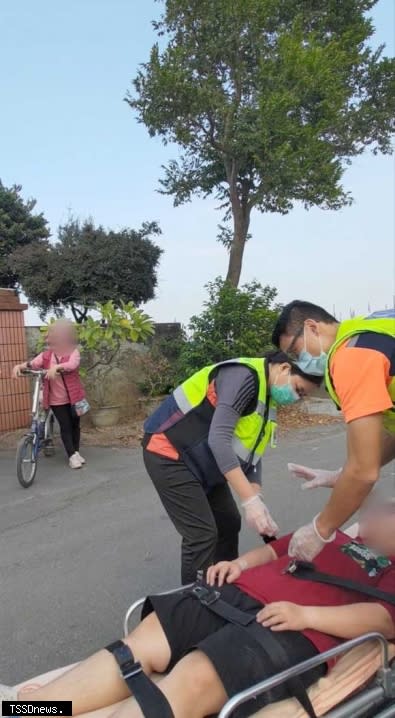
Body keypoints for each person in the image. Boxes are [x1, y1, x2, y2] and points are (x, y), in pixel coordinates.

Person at [2, 496, 394, 718]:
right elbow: (277, 548)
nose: (381, 511)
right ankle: (30, 710)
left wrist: (306, 615)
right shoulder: (330, 531)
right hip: (232, 594)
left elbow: (384, 620)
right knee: (137, 648)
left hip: (290, 627)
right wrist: (238, 564)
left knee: (193, 676)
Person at [142, 351, 322, 584]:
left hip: (204, 461)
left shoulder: (268, 399)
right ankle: (191, 603)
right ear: (285, 369)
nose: (297, 398)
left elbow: (251, 450)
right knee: (201, 535)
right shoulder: (243, 377)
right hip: (168, 452)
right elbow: (219, 439)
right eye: (299, 389)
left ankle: (223, 584)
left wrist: (256, 495)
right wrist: (249, 501)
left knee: (228, 522)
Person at [271, 301, 395, 561]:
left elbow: (363, 472)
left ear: (312, 327)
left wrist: (321, 529)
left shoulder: (351, 357)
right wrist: (341, 474)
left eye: (296, 351)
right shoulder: (370, 332)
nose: (300, 363)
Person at [13, 319, 87, 470]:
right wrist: (19, 366)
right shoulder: (45, 356)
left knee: (75, 426)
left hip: (74, 398)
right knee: (65, 426)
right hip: (56, 400)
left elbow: (72, 365)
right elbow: (32, 364)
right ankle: (72, 456)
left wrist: (57, 367)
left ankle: (76, 452)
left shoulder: (73, 352)